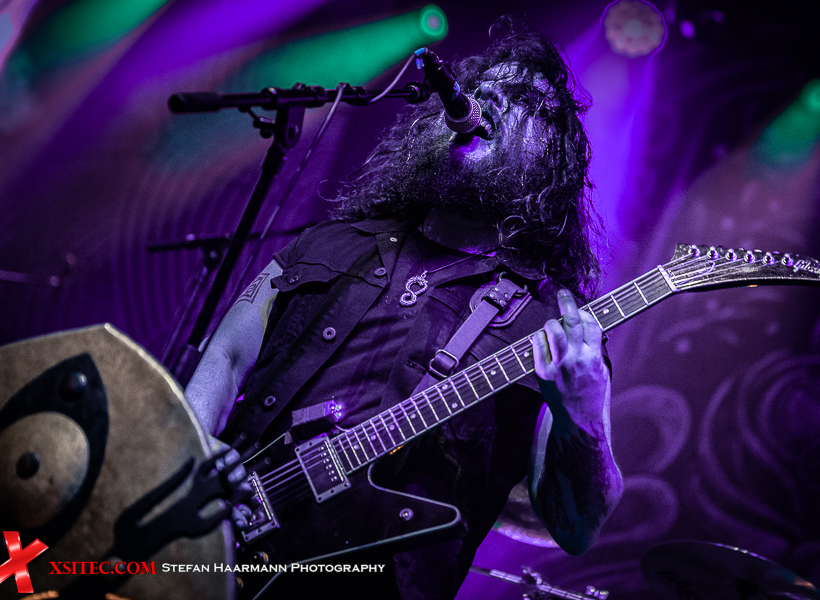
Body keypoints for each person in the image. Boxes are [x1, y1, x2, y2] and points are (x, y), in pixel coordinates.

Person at [185, 16, 623, 599]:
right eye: (481, 88)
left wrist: (583, 410)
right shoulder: (327, 242)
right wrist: (192, 449)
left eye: (521, 99)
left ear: (551, 155)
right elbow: (227, 354)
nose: (488, 99)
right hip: (216, 554)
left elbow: (575, 528)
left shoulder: (551, 326)